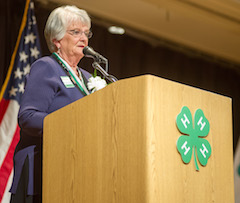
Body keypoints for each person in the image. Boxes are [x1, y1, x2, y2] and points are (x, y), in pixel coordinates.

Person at [10, 5, 94, 203]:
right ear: (56, 40)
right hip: (42, 169)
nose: (84, 38)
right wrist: (69, 125)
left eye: (86, 32)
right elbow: (28, 117)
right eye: (75, 32)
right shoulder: (47, 67)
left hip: (77, 171)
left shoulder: (89, 78)